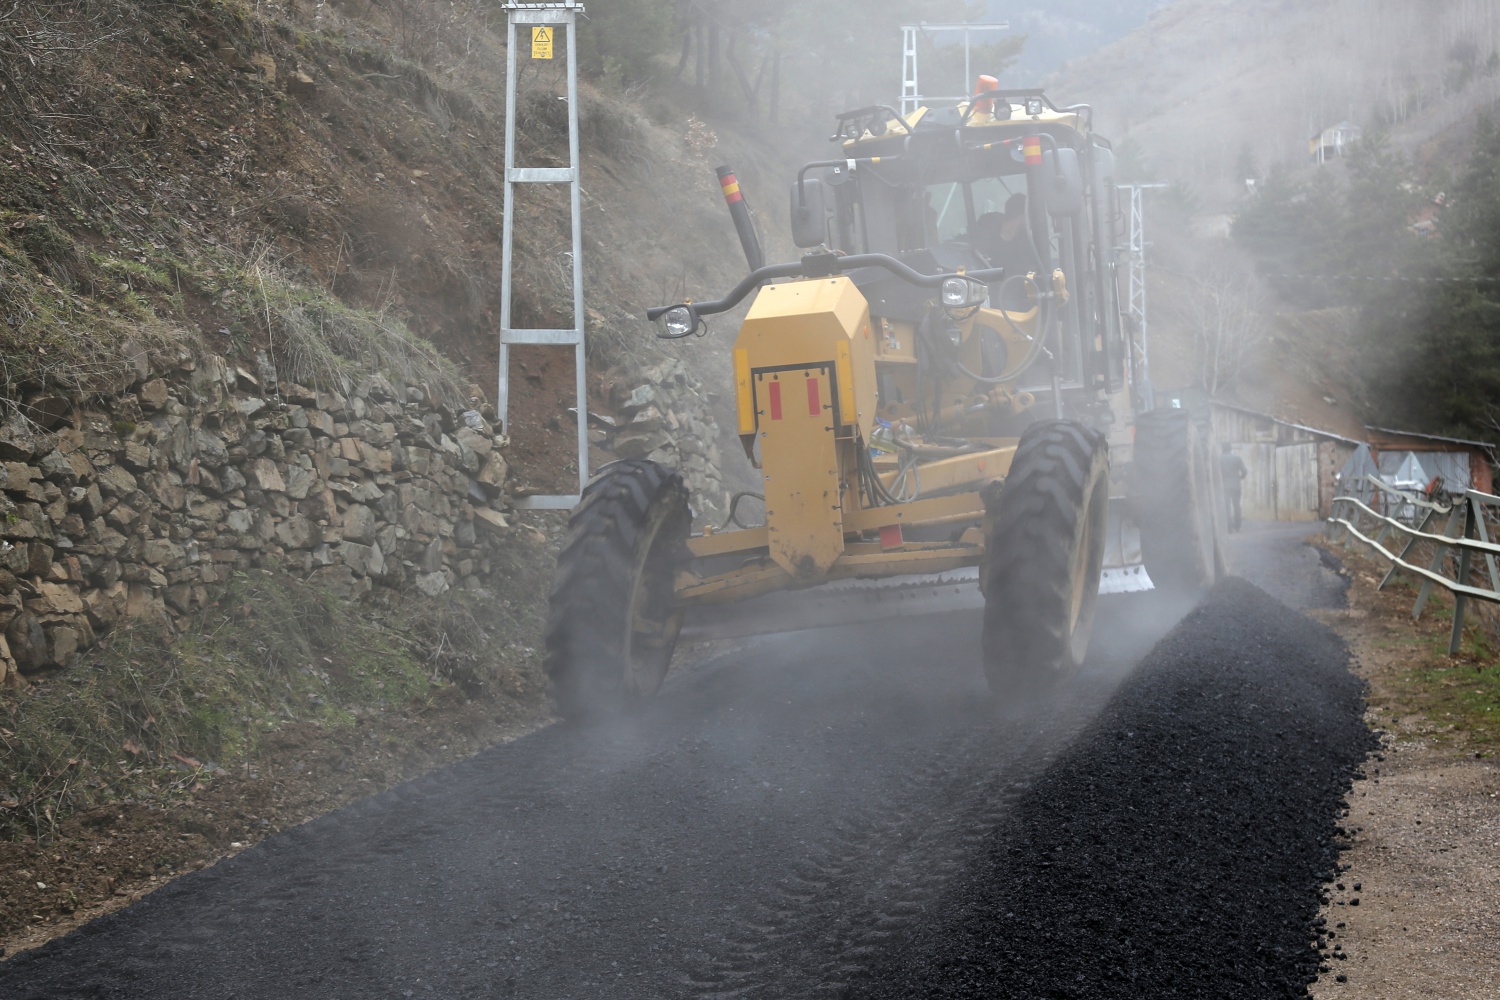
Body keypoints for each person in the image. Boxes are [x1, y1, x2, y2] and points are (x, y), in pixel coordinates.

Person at [972, 193, 1042, 310]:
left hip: (1023, 295)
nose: (1031, 223)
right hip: (996, 299)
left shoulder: (1026, 243)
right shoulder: (985, 242)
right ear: (1022, 217)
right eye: (1029, 217)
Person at [1220, 442, 1248, 532]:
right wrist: (1240, 477)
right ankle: (1237, 526)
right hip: (1236, 486)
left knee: (1226, 507)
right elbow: (1244, 471)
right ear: (1230, 449)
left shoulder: (1219, 459)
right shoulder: (1237, 458)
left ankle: (1229, 527)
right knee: (1237, 506)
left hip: (1225, 486)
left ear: (1222, 449)